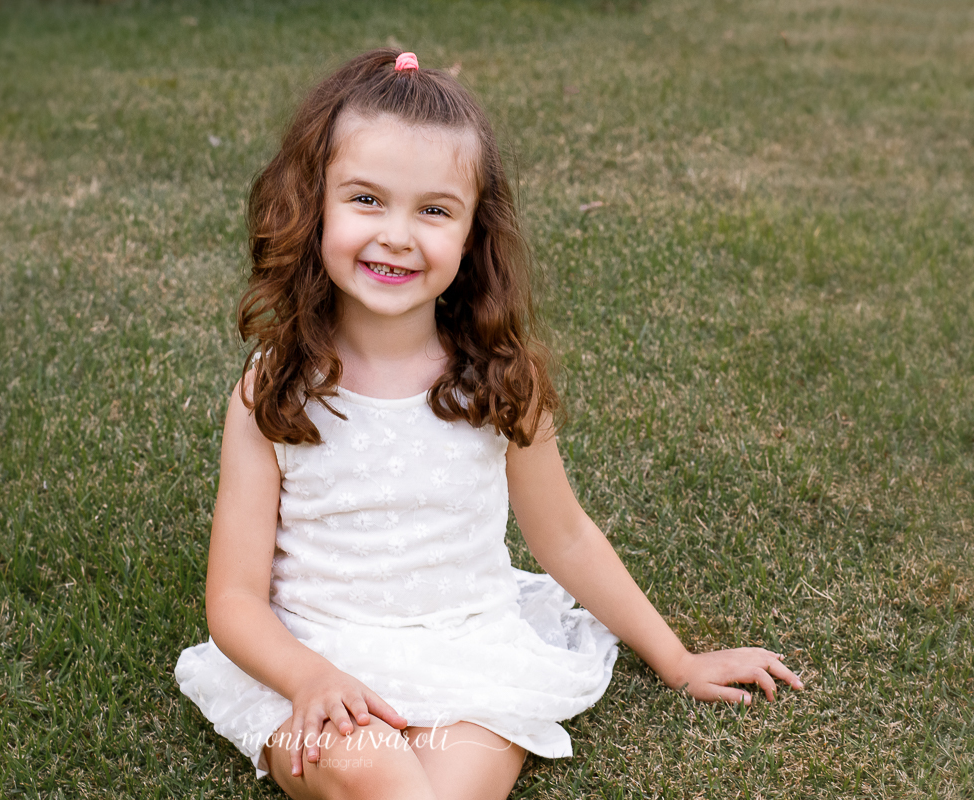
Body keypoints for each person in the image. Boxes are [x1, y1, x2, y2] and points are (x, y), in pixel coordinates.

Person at [175, 49, 803, 800]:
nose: (398, 235)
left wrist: (678, 659)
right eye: (366, 199)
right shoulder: (273, 389)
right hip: (311, 658)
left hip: (471, 654)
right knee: (383, 782)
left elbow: (564, 536)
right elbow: (235, 600)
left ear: (474, 234)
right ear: (314, 206)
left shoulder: (498, 380)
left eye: (434, 210)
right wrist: (309, 676)